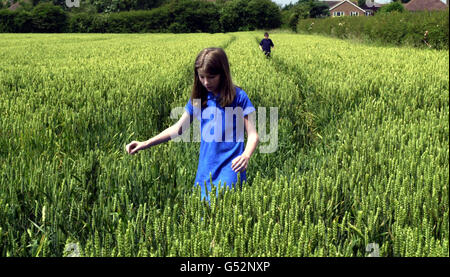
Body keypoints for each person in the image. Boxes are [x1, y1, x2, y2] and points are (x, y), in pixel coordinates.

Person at [126, 48, 259, 201]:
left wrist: (246, 155)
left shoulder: (238, 97)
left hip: (231, 168)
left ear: (223, 73)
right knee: (202, 217)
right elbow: (178, 128)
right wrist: (145, 143)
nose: (206, 82)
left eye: (211, 77)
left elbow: (253, 135)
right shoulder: (200, 98)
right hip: (206, 168)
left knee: (224, 214)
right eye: (201, 77)